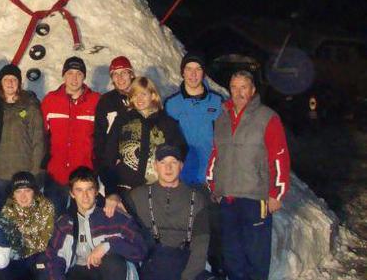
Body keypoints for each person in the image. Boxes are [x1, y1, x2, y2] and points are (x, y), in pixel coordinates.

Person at [206, 70, 290, 280]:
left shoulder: (267, 117)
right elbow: (217, 152)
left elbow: (279, 156)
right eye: (234, 87)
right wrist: (212, 181)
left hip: (255, 198)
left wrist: (276, 192)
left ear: (252, 90)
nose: (238, 92)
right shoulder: (223, 117)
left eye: (244, 87)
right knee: (232, 254)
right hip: (227, 198)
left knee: (256, 256)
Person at [40, 166, 146, 280]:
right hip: (80, 272)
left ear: (96, 191)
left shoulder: (114, 216)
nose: (85, 196)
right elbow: (54, 257)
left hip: (111, 272)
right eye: (79, 190)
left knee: (112, 262)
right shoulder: (65, 223)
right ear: (71, 193)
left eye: (89, 189)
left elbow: (141, 249)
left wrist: (108, 246)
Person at [124, 145, 210, 280]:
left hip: (187, 267)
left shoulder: (198, 199)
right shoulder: (137, 196)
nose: (168, 168)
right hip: (152, 266)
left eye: (173, 163)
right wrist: (113, 198)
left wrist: (187, 277)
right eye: (163, 162)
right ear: (155, 165)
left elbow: (201, 245)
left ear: (181, 166)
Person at [100, 76, 188, 198]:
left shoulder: (166, 123)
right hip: (125, 190)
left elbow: (181, 150)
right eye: (135, 95)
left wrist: (170, 176)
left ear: (152, 96)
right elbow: (109, 154)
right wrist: (111, 191)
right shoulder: (123, 120)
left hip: (157, 191)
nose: (139, 99)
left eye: (143, 94)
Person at [41, 56, 100, 213]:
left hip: (84, 176)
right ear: (63, 75)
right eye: (70, 73)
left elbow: (102, 137)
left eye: (79, 74)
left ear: (84, 77)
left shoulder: (95, 101)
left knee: (84, 220)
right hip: (56, 173)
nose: (74, 78)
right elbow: (41, 136)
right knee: (54, 221)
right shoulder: (50, 100)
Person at [0, 64, 44, 213]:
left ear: (19, 83)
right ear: (0, 82)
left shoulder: (30, 106)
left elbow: (38, 141)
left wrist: (34, 172)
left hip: (23, 174)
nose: (10, 83)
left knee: (25, 217)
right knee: (4, 217)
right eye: (6, 79)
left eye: (14, 79)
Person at [164, 53, 224, 187]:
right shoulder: (171, 104)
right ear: (182, 72)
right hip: (181, 177)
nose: (193, 74)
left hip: (211, 177)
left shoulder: (217, 102)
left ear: (203, 73)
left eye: (198, 69)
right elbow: (167, 142)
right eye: (189, 69)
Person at [0, 171, 55, 279]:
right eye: (18, 191)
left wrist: (22, 231)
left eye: (27, 191)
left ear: (34, 191)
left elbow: (44, 243)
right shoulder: (7, 209)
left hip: (39, 255)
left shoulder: (46, 207)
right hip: (16, 258)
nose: (23, 196)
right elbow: (8, 244)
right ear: (13, 194)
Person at [93, 56, 135, 184]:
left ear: (131, 74)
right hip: (114, 167)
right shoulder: (106, 101)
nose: (120, 78)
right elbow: (99, 136)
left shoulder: (142, 96)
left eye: (123, 73)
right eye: (115, 74)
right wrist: (105, 165)